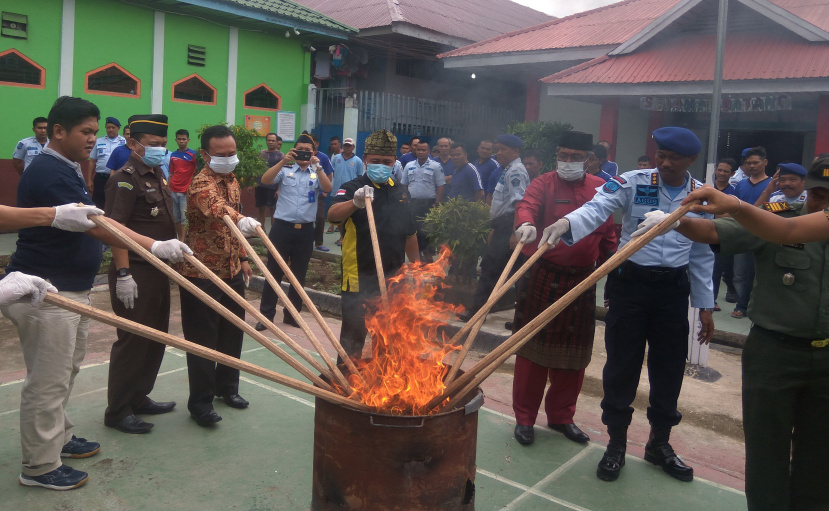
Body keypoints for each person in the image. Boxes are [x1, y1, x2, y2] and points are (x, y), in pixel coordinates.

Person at [1, 96, 190, 490]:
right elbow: (97, 225)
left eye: (94, 131)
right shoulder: (50, 169)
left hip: (71, 288)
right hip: (46, 292)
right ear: (58, 131)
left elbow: (94, 221)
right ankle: (39, 466)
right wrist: (150, 246)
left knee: (65, 371)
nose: (93, 139)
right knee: (47, 381)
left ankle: (61, 437)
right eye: (85, 132)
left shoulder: (67, 167)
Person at [642, 158, 829, 510]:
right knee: (767, 451)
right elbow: (714, 232)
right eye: (819, 195)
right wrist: (676, 222)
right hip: (775, 355)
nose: (824, 205)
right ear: (807, 190)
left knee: (821, 456)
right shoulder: (778, 218)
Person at [540, 126, 715, 483]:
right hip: (631, 284)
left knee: (668, 367)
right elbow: (597, 207)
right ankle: (616, 443)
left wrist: (705, 305)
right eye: (660, 156)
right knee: (622, 365)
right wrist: (565, 222)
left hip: (672, 289)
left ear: (691, 161)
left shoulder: (702, 198)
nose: (664, 163)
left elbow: (701, 254)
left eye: (673, 159)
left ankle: (659, 444)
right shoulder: (634, 181)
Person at [510, 130, 617, 446]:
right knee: (532, 353)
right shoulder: (543, 182)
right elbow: (527, 206)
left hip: (582, 280)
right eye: (563, 155)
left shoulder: (601, 189)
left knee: (574, 353)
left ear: (590, 160)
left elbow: (609, 235)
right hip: (543, 274)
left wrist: (616, 274)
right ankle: (525, 418)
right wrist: (526, 224)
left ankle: (561, 416)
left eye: (575, 157)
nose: (567, 162)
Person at [176, 124, 259, 427]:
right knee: (202, 340)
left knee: (232, 331)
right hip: (202, 273)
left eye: (232, 153)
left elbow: (233, 228)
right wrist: (244, 220)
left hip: (232, 269)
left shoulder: (233, 179)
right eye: (221, 154)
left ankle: (228, 388)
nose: (228, 158)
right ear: (205, 154)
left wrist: (243, 257)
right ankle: (200, 403)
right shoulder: (201, 183)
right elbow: (218, 210)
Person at [103, 114, 179, 435]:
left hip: (158, 271)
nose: (160, 150)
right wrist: (123, 273)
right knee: (132, 340)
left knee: (155, 336)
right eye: (153, 145)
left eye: (163, 144)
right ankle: (118, 410)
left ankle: (139, 396)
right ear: (132, 143)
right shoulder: (124, 178)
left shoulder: (157, 173)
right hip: (135, 271)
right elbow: (114, 229)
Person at [328, 129, 419, 359]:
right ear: (366, 159)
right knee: (353, 337)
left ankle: (381, 384)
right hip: (359, 277)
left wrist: (417, 268)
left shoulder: (402, 191)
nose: (381, 165)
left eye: (386, 162)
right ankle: (346, 384)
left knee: (388, 337)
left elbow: (410, 235)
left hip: (393, 277)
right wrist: (355, 202)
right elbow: (333, 215)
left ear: (394, 162)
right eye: (375, 161)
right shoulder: (352, 187)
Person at [254, 133, 332, 330]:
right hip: (282, 228)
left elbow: (327, 188)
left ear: (314, 152)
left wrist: (318, 166)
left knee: (299, 274)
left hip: (305, 231)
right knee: (273, 272)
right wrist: (282, 162)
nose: (304, 153)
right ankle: (266, 316)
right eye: (300, 150)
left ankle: (292, 315)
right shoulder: (286, 168)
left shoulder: (316, 171)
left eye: (308, 150)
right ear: (293, 150)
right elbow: (265, 179)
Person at [464, 134, 529, 320]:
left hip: (510, 226)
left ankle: (478, 313)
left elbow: (519, 203)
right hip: (502, 225)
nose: (498, 152)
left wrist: (515, 232)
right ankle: (481, 311)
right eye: (497, 148)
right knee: (497, 269)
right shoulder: (507, 169)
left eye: (503, 149)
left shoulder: (516, 171)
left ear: (515, 151)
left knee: (493, 269)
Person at [731, 146, 771, 319]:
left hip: (765, 235)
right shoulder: (740, 185)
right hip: (742, 234)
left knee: (761, 274)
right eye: (748, 163)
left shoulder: (773, 185)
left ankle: (758, 307)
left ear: (765, 163)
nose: (752, 166)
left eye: (756, 162)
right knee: (739, 273)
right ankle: (742, 305)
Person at [401, 139, 445, 261]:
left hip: (429, 204)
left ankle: (428, 257)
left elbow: (441, 186)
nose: (420, 152)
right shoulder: (409, 166)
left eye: (423, 150)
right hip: (412, 203)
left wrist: (437, 203)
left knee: (427, 232)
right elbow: (404, 185)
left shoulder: (436, 166)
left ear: (428, 151)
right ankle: (417, 258)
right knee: (414, 230)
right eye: (418, 149)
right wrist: (405, 200)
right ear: (414, 150)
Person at [711, 158, 739, 310]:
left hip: (722, 236)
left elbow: (734, 214)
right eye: (719, 170)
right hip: (702, 234)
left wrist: (710, 213)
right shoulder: (705, 188)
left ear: (732, 174)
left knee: (717, 270)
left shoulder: (733, 193)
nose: (721, 173)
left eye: (725, 171)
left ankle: (712, 300)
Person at [329, 138, 364, 243]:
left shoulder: (357, 160)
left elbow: (359, 176)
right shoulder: (336, 158)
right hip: (337, 190)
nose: (347, 148)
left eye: (350, 146)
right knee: (339, 216)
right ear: (342, 146)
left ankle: (346, 237)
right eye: (346, 145)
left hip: (350, 192)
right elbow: (333, 172)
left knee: (348, 216)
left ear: (353, 147)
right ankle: (341, 237)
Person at [87, 116, 126, 209]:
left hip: (118, 177)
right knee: (98, 203)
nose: (110, 129)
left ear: (118, 128)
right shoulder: (98, 141)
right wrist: (89, 180)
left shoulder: (124, 142)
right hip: (101, 178)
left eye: (113, 127)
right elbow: (92, 161)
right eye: (108, 127)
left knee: (115, 202)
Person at [307, 132, 335, 252]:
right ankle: (305, 242)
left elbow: (329, 174)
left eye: (311, 144)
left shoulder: (323, 157)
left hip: (318, 193)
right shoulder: (301, 156)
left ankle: (319, 243)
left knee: (319, 218)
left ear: (317, 144)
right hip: (304, 193)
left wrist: (325, 190)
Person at [167, 129, 198, 240]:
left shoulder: (193, 155)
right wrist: (168, 189)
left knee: (185, 219)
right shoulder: (173, 155)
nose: (181, 141)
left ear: (188, 140)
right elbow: (171, 173)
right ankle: (179, 238)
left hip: (185, 191)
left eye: (183, 139)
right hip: (173, 190)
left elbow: (197, 172)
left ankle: (183, 241)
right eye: (179, 139)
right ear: (176, 140)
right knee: (176, 218)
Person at [256, 132, 284, 229]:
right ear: (266, 141)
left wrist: (278, 189)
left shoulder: (280, 156)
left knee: (273, 211)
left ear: (277, 142)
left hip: (273, 187)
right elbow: (257, 170)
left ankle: (273, 235)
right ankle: (261, 234)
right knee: (261, 210)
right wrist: (252, 183)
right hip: (260, 186)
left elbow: (283, 174)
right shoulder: (261, 154)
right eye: (269, 140)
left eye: (273, 140)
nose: (271, 142)